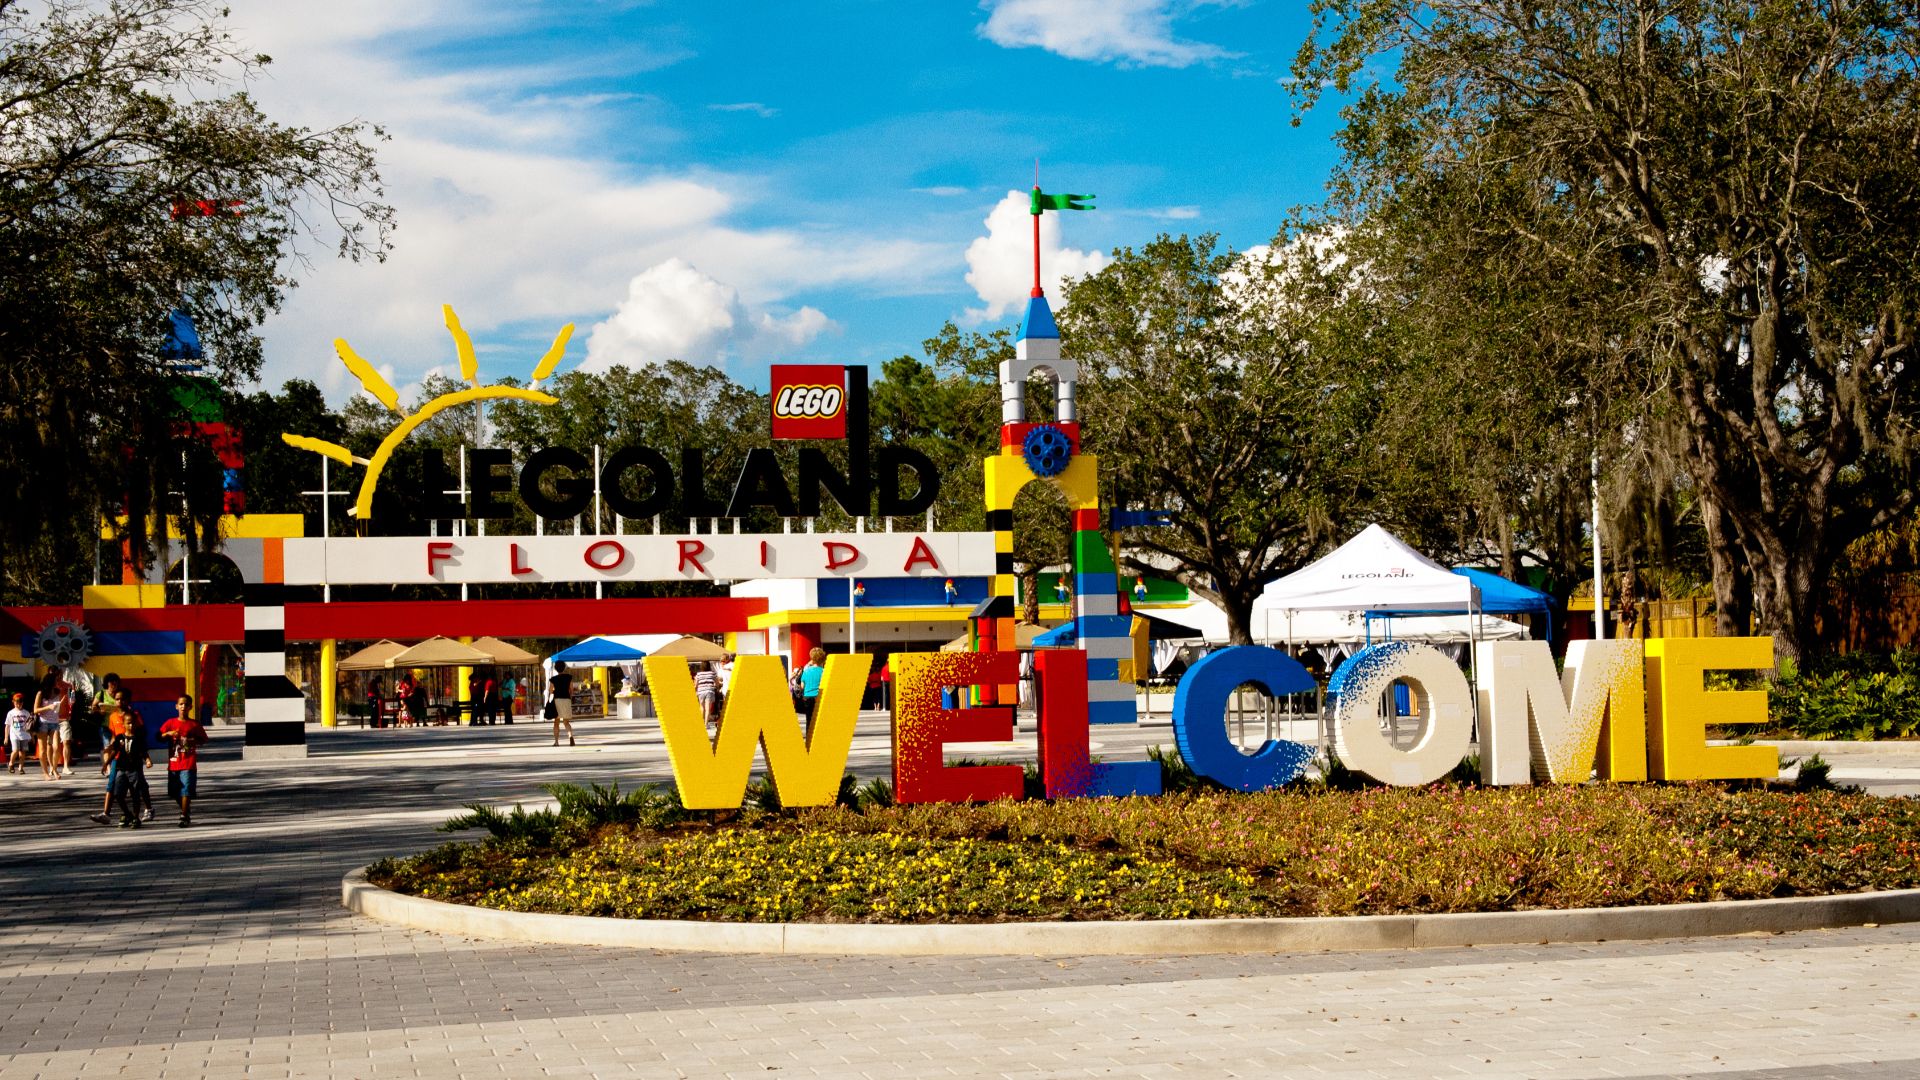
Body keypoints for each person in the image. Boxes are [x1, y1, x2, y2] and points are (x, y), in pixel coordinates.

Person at [158, 695, 207, 827]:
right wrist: (168, 734)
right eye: (181, 704)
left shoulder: (194, 724)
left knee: (186, 789)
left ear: (190, 707)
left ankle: (184, 815)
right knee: (175, 792)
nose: (183, 707)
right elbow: (159, 736)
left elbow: (203, 739)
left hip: (188, 762)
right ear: (176, 706)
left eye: (186, 704)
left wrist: (190, 740)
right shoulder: (170, 723)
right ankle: (185, 808)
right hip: (174, 763)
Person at [32, 671, 64, 780]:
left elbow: (58, 707)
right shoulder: (41, 693)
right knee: (43, 749)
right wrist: (48, 707)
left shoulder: (57, 692)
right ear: (50, 681)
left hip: (55, 722)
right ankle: (45, 773)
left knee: (57, 747)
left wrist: (58, 708)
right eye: (56, 680)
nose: (57, 682)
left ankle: (54, 769)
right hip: (43, 723)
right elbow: (35, 710)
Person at [547, 662, 574, 746]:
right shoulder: (569, 677)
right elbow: (571, 690)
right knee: (566, 722)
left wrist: (556, 690)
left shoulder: (553, 679)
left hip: (557, 700)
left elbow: (550, 691)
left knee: (556, 722)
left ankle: (556, 742)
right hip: (566, 700)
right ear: (564, 668)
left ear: (555, 669)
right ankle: (570, 736)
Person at [798, 647, 827, 719]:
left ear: (812, 659)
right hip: (819, 698)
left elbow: (802, 686)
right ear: (822, 659)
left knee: (809, 720)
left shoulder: (806, 671)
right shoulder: (824, 672)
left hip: (807, 698)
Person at [7, 692, 32, 774]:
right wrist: (6, 737)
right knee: (16, 750)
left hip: (24, 735)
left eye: (20, 703)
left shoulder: (26, 713)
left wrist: (31, 736)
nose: (18, 705)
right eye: (16, 703)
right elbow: (7, 725)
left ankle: (20, 767)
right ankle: (11, 763)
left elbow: (30, 725)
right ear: (13, 702)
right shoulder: (11, 713)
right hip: (14, 734)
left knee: (23, 752)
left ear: (22, 703)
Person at [693, 662, 720, 726]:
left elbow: (696, 685)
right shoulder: (712, 673)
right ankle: (705, 724)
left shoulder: (698, 674)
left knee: (702, 707)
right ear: (709, 666)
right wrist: (717, 687)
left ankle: (701, 723)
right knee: (708, 708)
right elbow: (717, 683)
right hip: (709, 691)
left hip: (701, 691)